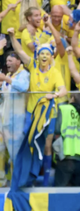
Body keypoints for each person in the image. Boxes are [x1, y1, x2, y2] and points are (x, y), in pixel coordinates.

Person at [0, 51, 30, 186]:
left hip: (17, 125)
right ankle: (2, 182)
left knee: (15, 156)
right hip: (3, 122)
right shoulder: (8, 76)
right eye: (6, 61)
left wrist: (7, 80)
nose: (7, 63)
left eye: (10, 61)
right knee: (1, 153)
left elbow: (24, 87)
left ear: (18, 61)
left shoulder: (25, 74)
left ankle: (16, 184)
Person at [53, 93, 80, 187]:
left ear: (72, 98)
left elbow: (56, 129)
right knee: (78, 193)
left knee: (60, 191)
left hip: (65, 155)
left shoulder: (64, 109)